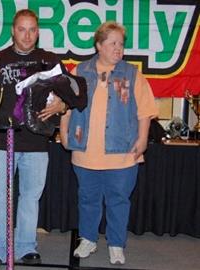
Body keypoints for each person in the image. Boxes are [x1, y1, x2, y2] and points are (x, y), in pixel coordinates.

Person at [0, 9, 69, 265]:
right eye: (21, 29)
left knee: (30, 196)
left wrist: (61, 106)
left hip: (38, 141)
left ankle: (26, 246)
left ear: (38, 32)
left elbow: (69, 94)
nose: (27, 35)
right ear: (12, 31)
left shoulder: (50, 60)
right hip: (3, 140)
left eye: (32, 30)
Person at [60, 21, 158, 265]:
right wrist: (63, 132)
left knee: (118, 200)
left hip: (122, 152)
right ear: (99, 46)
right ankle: (88, 239)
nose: (119, 49)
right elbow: (65, 106)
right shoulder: (79, 72)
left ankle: (116, 244)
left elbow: (145, 110)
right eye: (113, 43)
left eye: (121, 44)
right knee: (88, 198)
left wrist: (143, 138)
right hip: (85, 151)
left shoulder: (132, 74)